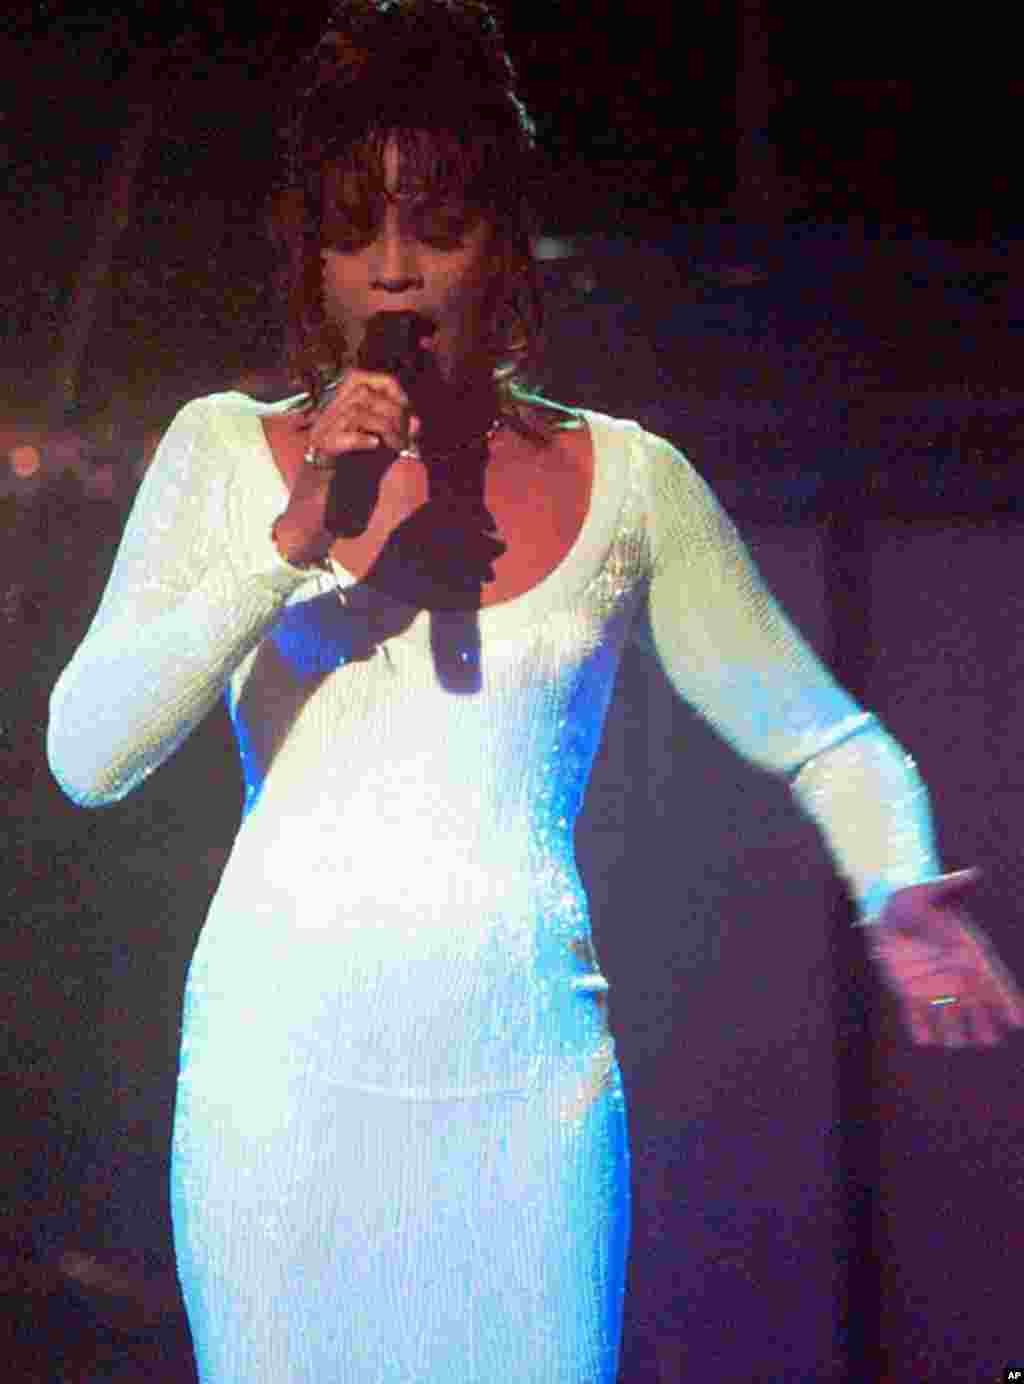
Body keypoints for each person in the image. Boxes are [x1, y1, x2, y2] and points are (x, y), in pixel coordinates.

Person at [46, 3, 1024, 1381]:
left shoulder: (633, 484)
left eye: (433, 226)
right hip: (278, 1093)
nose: (392, 271)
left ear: (502, 245)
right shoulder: (222, 453)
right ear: (309, 264)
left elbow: (826, 738)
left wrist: (897, 878)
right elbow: (86, 754)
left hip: (524, 1103)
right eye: (351, 232)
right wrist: (293, 540)